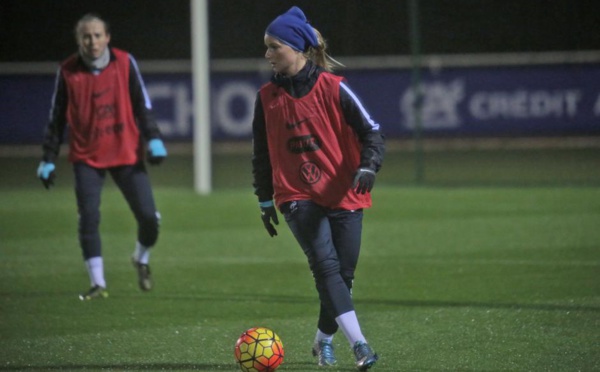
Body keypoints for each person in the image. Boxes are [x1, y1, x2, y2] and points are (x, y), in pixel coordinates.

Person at [251, 6, 385, 371]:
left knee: (342, 275)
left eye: (273, 46)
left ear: (296, 47)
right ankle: (360, 345)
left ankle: (323, 340)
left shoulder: (334, 89)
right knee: (324, 267)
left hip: (344, 191)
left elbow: (372, 132)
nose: (267, 54)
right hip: (296, 195)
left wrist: (368, 166)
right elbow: (261, 155)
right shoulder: (266, 98)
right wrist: (265, 200)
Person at [36, 13, 167, 300]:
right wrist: (48, 158)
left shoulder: (124, 62)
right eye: (86, 36)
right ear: (78, 40)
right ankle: (98, 284)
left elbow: (142, 105)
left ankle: (140, 258)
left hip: (126, 152)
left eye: (97, 35)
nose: (92, 41)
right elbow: (56, 119)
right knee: (89, 218)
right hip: (86, 157)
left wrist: (153, 138)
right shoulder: (67, 71)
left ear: (107, 37)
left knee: (149, 218)